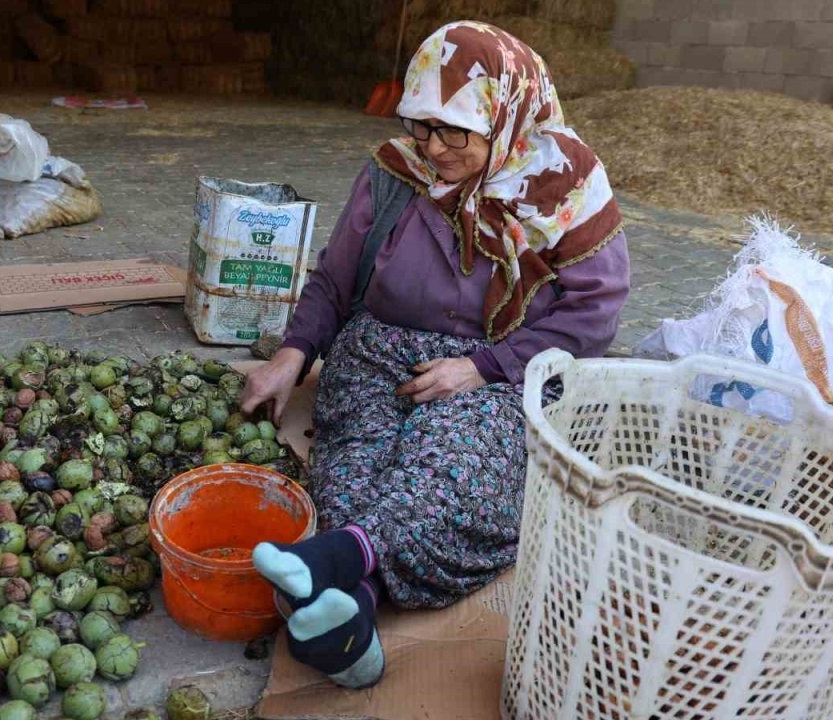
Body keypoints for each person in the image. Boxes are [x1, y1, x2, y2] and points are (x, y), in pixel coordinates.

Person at [240, 20, 630, 689]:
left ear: (505, 116)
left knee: (459, 464)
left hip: (500, 365)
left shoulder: (564, 184)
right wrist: (295, 353)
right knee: (356, 454)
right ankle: (349, 621)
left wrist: (480, 368)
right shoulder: (395, 174)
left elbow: (594, 314)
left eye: (456, 131)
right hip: (379, 351)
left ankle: (340, 564)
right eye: (421, 125)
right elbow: (336, 279)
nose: (433, 147)